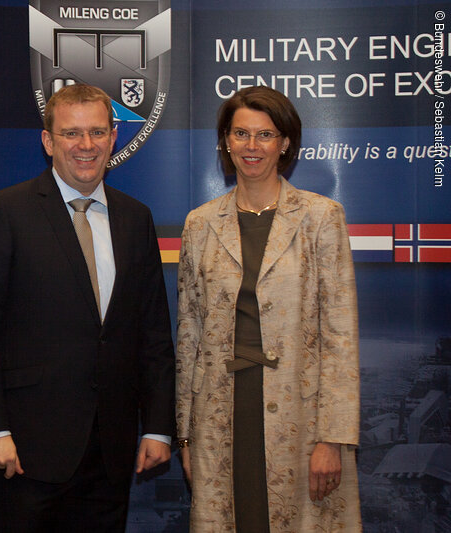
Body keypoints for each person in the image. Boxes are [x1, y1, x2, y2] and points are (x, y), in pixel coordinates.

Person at [0, 83, 175, 532]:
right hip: (25, 451)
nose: (86, 145)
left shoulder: (136, 218)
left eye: (97, 132)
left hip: (110, 453)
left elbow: (153, 333)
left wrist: (157, 426)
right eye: (72, 133)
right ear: (48, 141)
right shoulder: (8, 211)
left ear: (114, 137)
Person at [175, 85, 361, 531]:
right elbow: (189, 333)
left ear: (286, 143)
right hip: (221, 413)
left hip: (302, 417)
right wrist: (185, 430)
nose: (252, 147)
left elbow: (340, 333)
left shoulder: (322, 217)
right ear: (225, 141)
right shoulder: (199, 224)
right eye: (241, 134)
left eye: (265, 135)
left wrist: (332, 438)